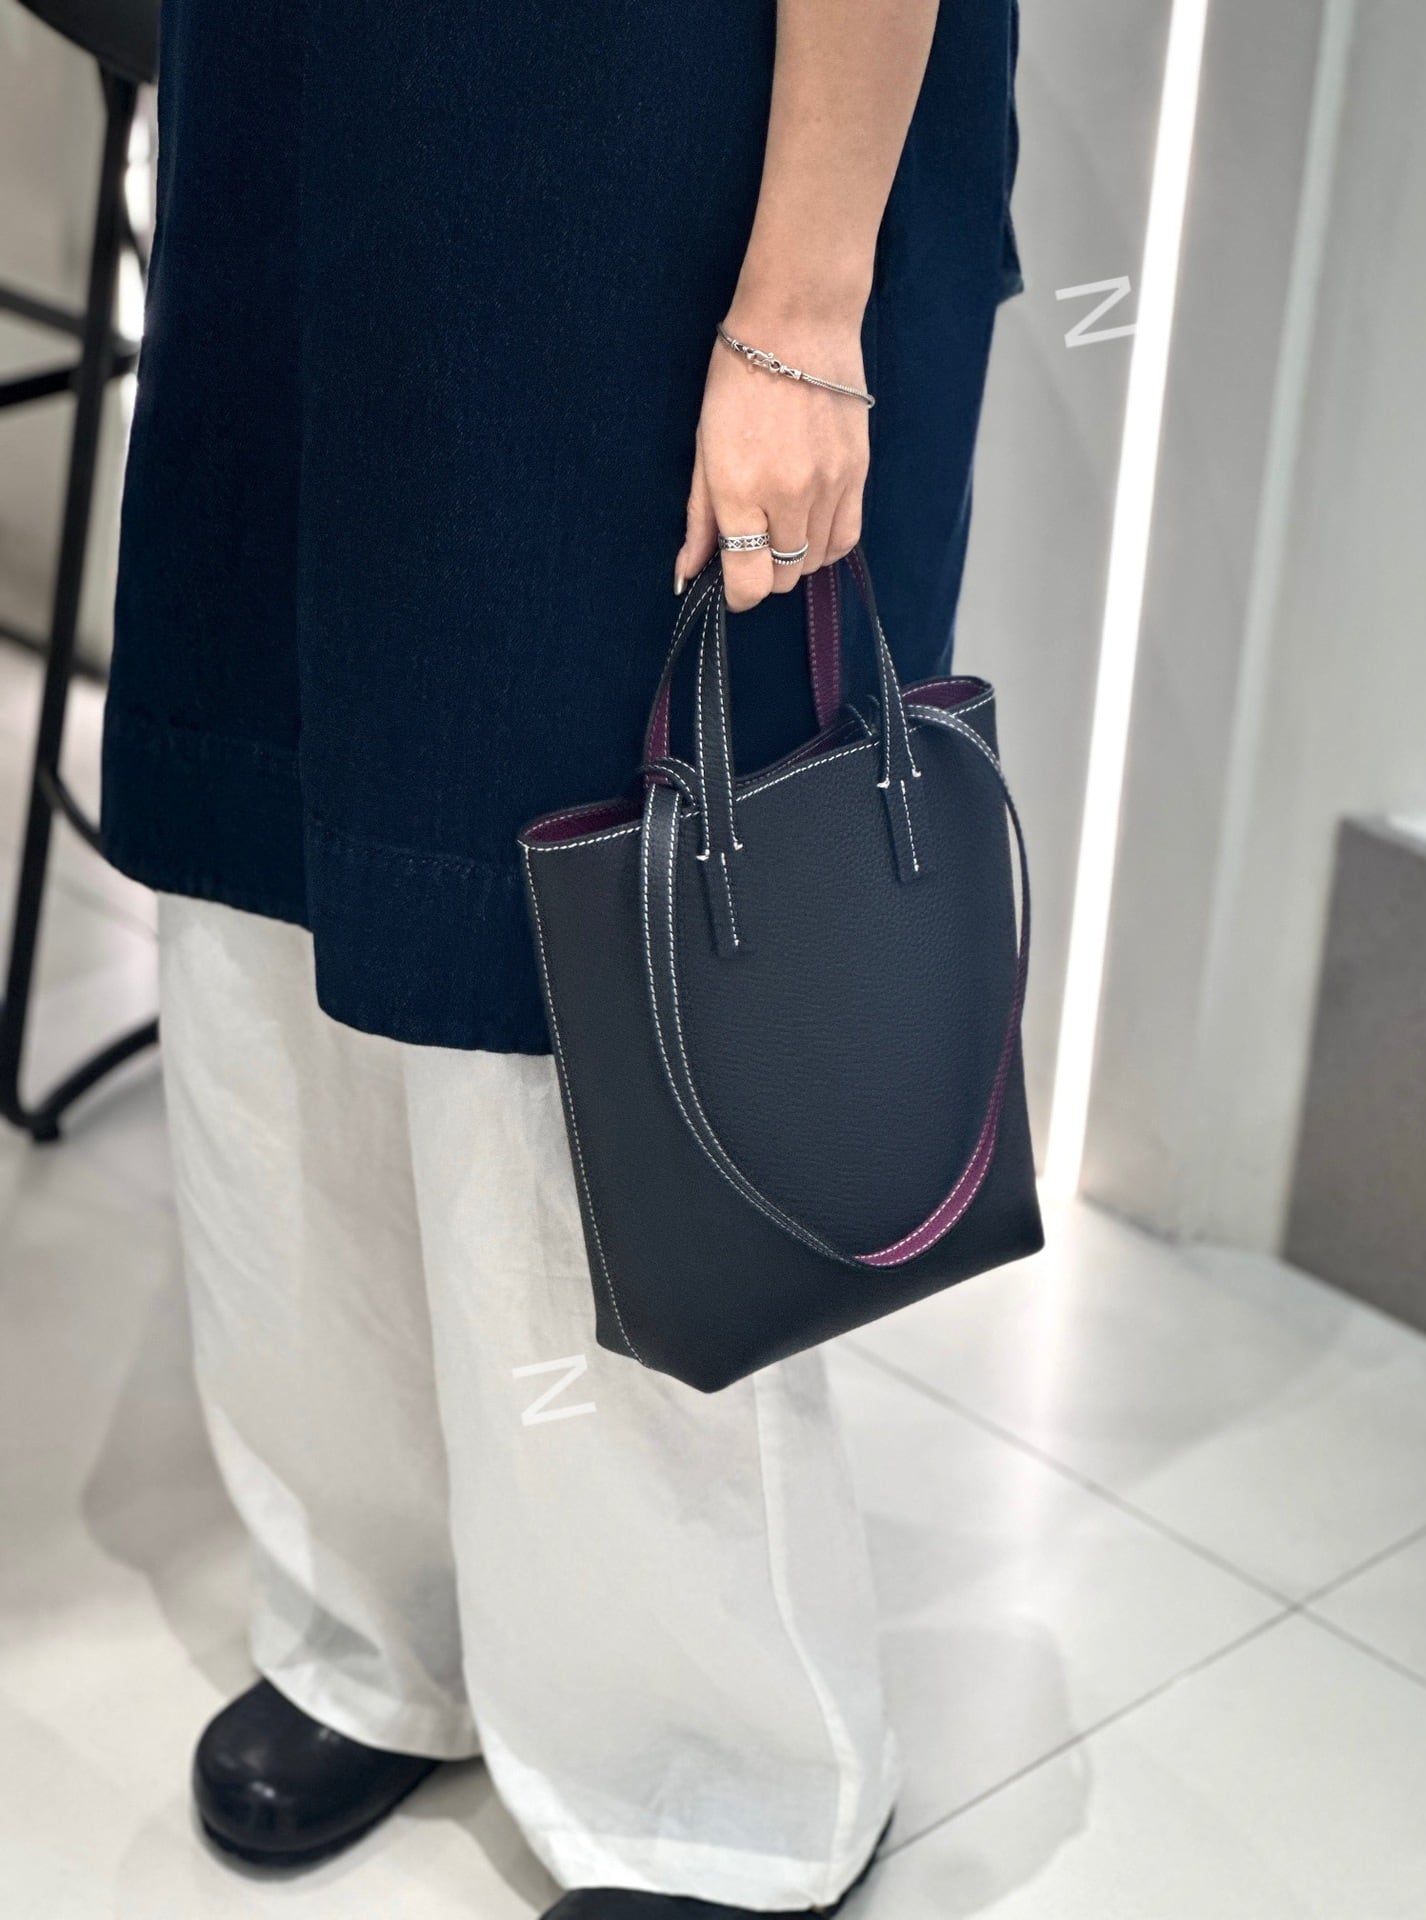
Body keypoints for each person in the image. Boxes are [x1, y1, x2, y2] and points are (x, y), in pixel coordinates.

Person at [100, 1, 1021, 1912]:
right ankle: (383, 1611)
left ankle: (706, 1755)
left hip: (652, 154)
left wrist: (805, 297)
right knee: (282, 880)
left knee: (591, 961)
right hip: (302, 122)